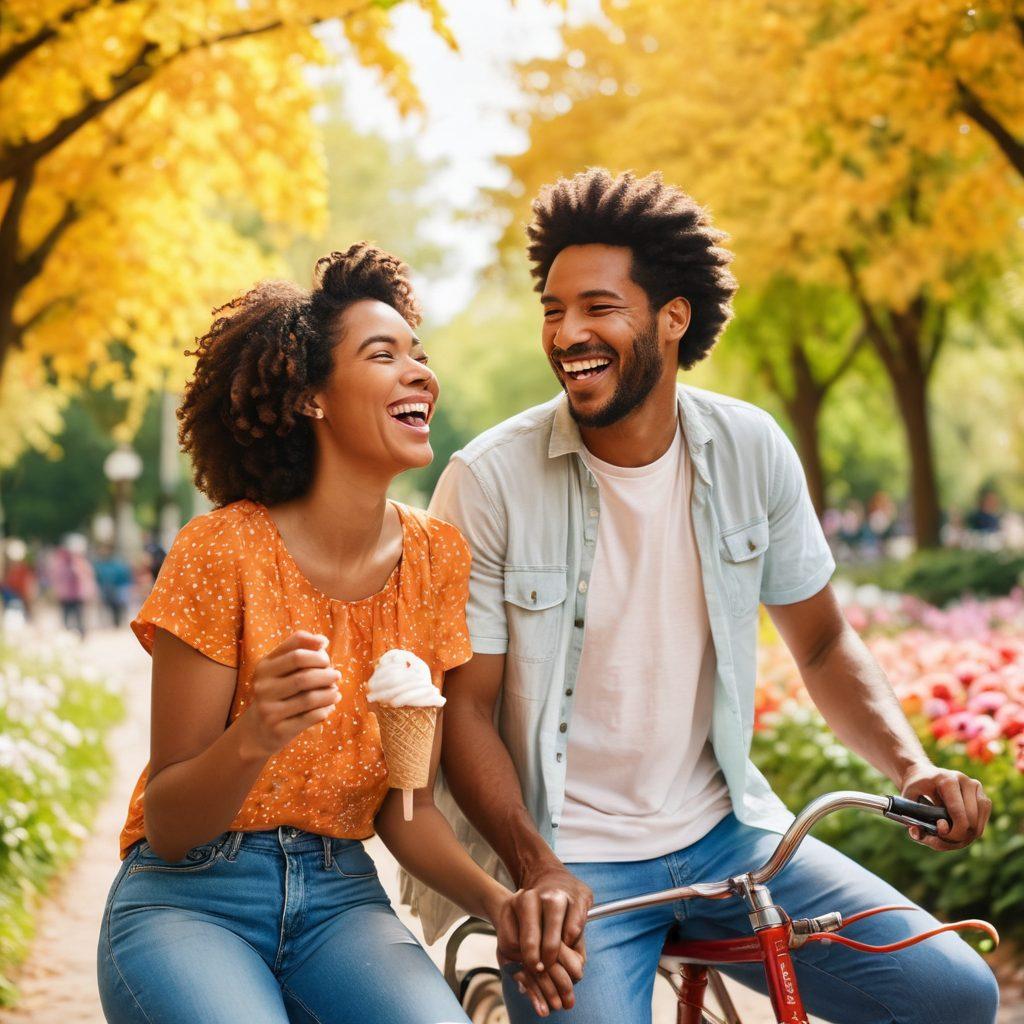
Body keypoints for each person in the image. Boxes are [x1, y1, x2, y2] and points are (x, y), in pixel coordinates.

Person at [406, 170, 998, 1023]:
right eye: (553, 309)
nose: (567, 333)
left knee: (955, 996)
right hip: (570, 861)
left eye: (599, 307)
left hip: (731, 835)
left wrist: (912, 768)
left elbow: (822, 644)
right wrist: (537, 867)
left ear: (672, 318)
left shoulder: (752, 448)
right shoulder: (489, 480)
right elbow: (466, 708)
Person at [96, 245, 575, 1024]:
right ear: (311, 397)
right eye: (383, 355)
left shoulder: (435, 558)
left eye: (419, 355)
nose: (419, 374)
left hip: (339, 895)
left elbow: (406, 809)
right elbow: (172, 825)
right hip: (190, 897)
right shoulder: (222, 550)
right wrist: (255, 734)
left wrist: (501, 904)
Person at [92, 544, 133, 628]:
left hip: (118, 586)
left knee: (118, 605)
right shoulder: (100, 563)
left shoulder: (117, 562)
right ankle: (114, 622)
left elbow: (124, 573)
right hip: (107, 586)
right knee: (110, 605)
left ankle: (118, 622)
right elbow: (98, 575)